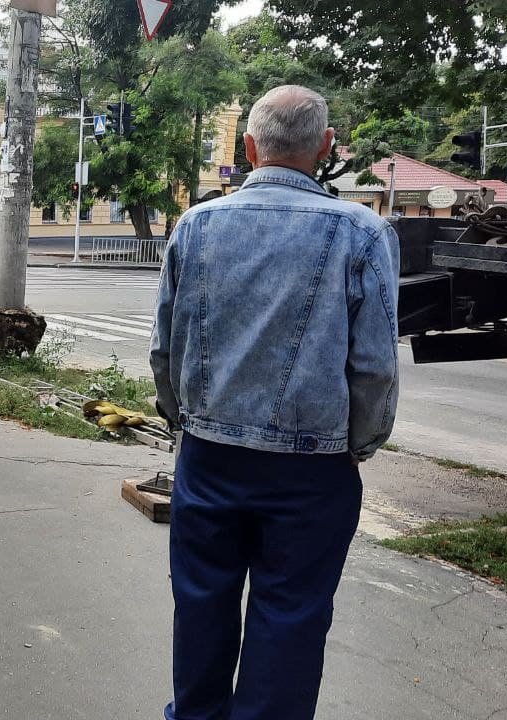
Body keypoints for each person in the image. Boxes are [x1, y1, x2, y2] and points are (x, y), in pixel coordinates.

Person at [149, 85, 400, 720]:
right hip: (312, 471)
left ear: (250, 147)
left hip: (208, 460)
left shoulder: (196, 225)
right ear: (326, 147)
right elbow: (373, 366)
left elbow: (164, 346)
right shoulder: (364, 233)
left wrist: (187, 423)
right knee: (290, 619)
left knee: (201, 605)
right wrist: (359, 445)